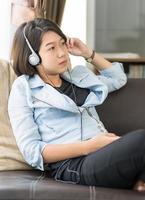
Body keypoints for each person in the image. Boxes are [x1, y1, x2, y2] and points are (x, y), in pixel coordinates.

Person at [8, 18, 145, 191]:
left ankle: (139, 181)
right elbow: (32, 151)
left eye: (63, 44)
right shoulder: (24, 88)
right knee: (141, 141)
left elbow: (118, 77)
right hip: (73, 164)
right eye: (51, 48)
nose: (62, 53)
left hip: (103, 152)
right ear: (33, 57)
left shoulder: (78, 77)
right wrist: (90, 146)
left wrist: (88, 53)